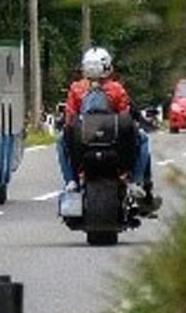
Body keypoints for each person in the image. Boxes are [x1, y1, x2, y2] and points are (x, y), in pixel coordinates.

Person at [57, 47, 158, 212]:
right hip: (113, 140)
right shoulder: (116, 88)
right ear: (107, 67)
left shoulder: (76, 88)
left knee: (61, 140)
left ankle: (71, 180)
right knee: (143, 138)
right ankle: (135, 180)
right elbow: (125, 116)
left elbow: (70, 117)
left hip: (84, 140)